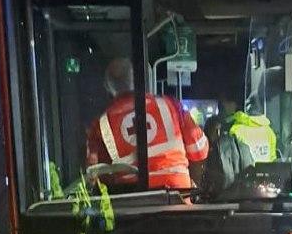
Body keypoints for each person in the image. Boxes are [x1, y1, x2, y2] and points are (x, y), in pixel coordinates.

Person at [86, 58, 208, 189]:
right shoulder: (170, 105)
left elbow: (97, 174)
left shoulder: (101, 124)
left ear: (108, 87)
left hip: (133, 197)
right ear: (139, 80)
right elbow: (199, 149)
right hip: (176, 193)